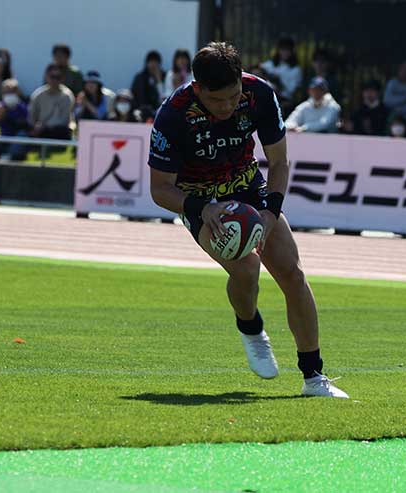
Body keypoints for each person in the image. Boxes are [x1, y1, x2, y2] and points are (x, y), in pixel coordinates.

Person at [148, 41, 348, 398]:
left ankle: (314, 377)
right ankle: (251, 328)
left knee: (292, 272)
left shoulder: (258, 94)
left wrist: (271, 211)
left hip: (248, 186)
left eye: (232, 96)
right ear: (197, 89)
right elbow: (160, 189)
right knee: (246, 270)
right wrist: (201, 208)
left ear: (241, 81)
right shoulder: (173, 115)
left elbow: (280, 162)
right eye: (216, 101)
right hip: (201, 199)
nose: (226, 107)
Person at [29, 64, 75, 140]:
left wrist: (47, 126)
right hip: (41, 130)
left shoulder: (67, 96)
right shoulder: (38, 95)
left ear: (63, 79)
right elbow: (32, 117)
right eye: (52, 77)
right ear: (46, 77)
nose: (55, 80)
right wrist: (36, 126)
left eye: (58, 78)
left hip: (60, 131)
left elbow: (65, 120)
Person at [260, 37, 303, 111]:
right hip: (267, 95)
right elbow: (258, 70)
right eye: (282, 49)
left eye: (288, 50)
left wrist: (279, 85)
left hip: (284, 100)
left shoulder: (296, 70)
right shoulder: (270, 64)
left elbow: (290, 91)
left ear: (292, 51)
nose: (285, 52)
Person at [0, 78, 30, 160]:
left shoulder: (22, 107)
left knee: (22, 135)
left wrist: (7, 116)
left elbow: (25, 124)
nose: (9, 94)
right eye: (6, 92)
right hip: (3, 138)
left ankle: (8, 156)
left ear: (17, 93)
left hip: (15, 139)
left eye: (11, 92)